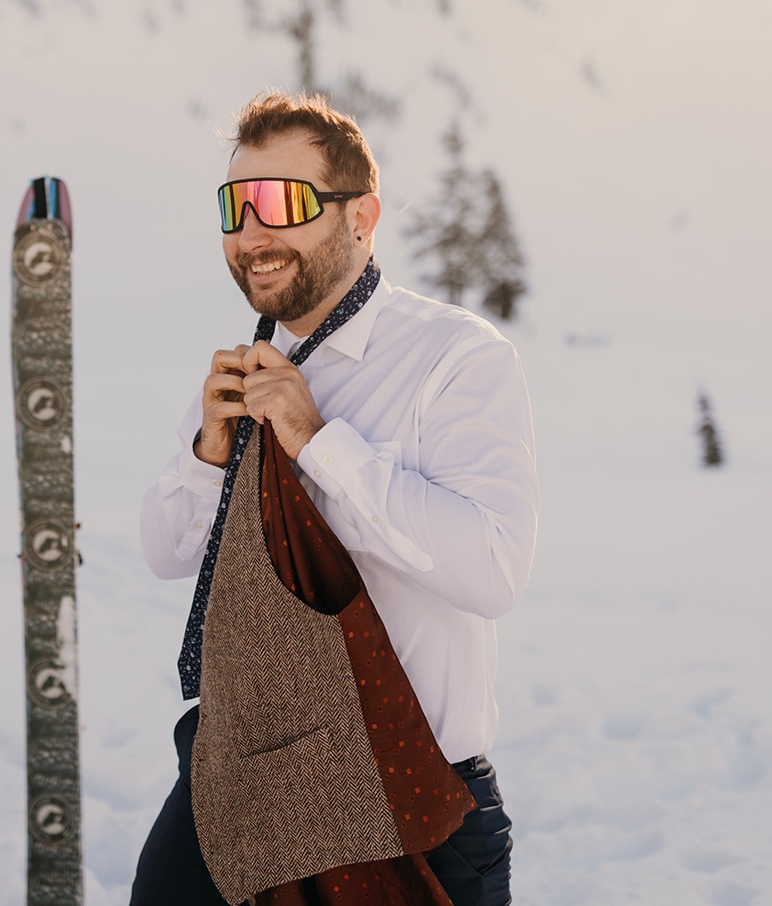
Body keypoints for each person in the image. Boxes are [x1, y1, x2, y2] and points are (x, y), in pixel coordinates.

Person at [131, 91, 539, 906]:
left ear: (362, 216)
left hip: (410, 803)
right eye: (234, 206)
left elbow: (493, 568)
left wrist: (319, 444)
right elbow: (167, 551)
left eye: (282, 202)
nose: (253, 234)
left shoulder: (454, 357)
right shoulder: (249, 365)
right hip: (237, 785)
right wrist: (213, 453)